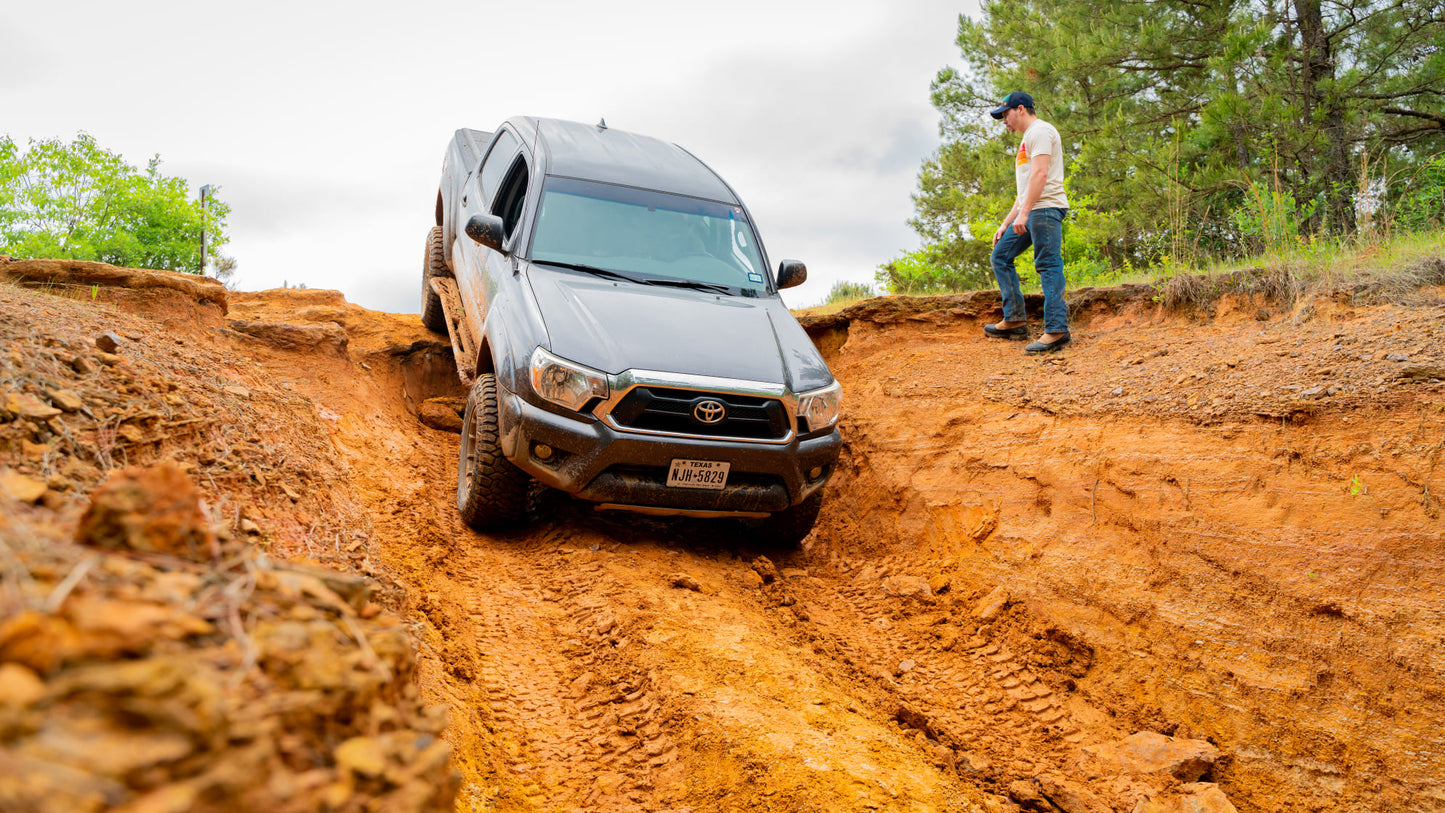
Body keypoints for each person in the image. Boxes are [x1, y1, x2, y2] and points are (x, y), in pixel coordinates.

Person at [983, 91, 1071, 354]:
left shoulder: (1040, 132)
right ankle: (1015, 320)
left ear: (1020, 109)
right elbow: (1024, 190)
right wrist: (1007, 222)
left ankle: (1056, 330)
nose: (1003, 121)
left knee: (1047, 264)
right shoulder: (1025, 141)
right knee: (1000, 256)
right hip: (1030, 210)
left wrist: (1025, 214)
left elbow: (1041, 174)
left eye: (1005, 114)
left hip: (1045, 210)